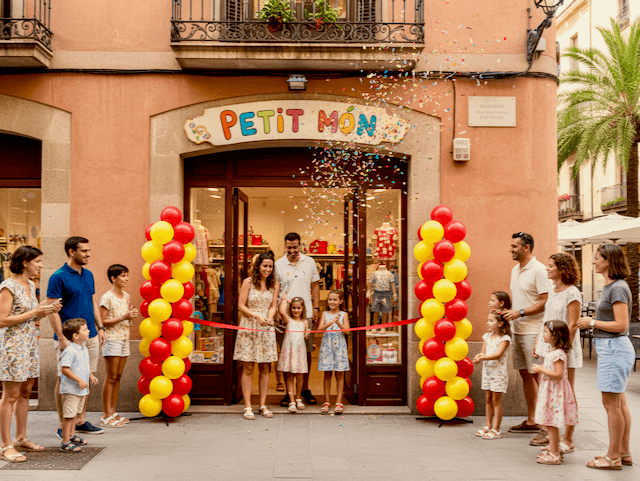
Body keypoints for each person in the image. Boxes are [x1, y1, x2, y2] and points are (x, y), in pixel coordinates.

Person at [0, 246, 61, 463]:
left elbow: (27, 317)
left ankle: (21, 437)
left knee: (26, 392)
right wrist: (35, 312)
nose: (41, 265)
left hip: (29, 344)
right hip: (13, 347)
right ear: (25, 262)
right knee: (10, 397)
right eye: (38, 261)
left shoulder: (31, 285)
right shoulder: (8, 286)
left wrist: (45, 310)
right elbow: (2, 320)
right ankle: (5, 445)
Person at [577, 244, 634, 470]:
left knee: (611, 404)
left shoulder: (617, 288)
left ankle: (612, 457)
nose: (593, 261)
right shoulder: (614, 287)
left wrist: (591, 322)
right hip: (613, 348)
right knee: (618, 403)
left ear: (608, 261)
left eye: (597, 257)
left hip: (613, 347)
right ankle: (623, 452)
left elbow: (621, 325)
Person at [47, 237, 106, 438]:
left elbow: (93, 301)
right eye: (84, 251)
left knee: (86, 377)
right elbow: (51, 310)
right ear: (72, 252)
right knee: (64, 379)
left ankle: (80, 421)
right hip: (69, 339)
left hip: (90, 334)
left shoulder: (88, 275)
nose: (88, 254)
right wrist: (61, 338)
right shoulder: (58, 276)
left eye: (89, 250)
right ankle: (63, 425)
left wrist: (100, 328)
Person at [530, 253, 582, 450]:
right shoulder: (552, 290)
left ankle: (568, 438)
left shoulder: (573, 293)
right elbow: (547, 318)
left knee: (567, 391)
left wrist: (561, 348)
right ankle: (552, 434)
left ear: (561, 269)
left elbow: (573, 324)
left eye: (550, 266)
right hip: (549, 346)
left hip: (564, 349)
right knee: (548, 388)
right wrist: (538, 340)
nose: (547, 269)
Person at [503, 232, 552, 433]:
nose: (511, 249)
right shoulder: (516, 269)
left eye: (514, 246)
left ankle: (544, 421)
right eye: (511, 245)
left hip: (534, 331)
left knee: (536, 376)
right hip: (518, 330)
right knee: (525, 374)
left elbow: (546, 300)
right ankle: (532, 419)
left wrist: (520, 312)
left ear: (526, 248)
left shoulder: (539, 270)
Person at [275, 232, 320, 407]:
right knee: (286, 354)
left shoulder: (309, 262)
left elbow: (315, 285)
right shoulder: (278, 264)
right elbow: (275, 290)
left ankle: (304, 390)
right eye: (289, 247)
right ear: (285, 245)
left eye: (295, 247)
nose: (292, 250)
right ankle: (289, 393)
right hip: (284, 316)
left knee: (306, 353)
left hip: (305, 315)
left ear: (300, 245)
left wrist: (316, 308)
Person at [233, 251, 279, 420]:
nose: (267, 269)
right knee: (248, 367)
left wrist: (271, 316)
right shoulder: (248, 282)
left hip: (266, 328)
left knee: (265, 367)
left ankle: (263, 404)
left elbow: (273, 305)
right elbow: (241, 305)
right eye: (265, 266)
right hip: (250, 326)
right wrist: (256, 316)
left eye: (270, 266)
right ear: (258, 266)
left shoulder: (274, 284)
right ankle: (247, 406)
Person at [532, 321, 578, 465]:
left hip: (554, 393)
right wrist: (543, 367)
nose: (543, 335)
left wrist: (541, 370)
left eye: (545, 332)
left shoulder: (558, 354)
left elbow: (558, 374)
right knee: (549, 422)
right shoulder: (551, 352)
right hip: (550, 391)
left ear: (555, 335)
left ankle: (555, 454)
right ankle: (553, 448)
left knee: (551, 423)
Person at [99, 264, 138, 428]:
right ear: (113, 278)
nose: (126, 279)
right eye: (123, 276)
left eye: (127, 275)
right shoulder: (107, 297)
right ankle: (106, 414)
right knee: (111, 376)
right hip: (112, 339)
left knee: (119, 376)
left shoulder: (126, 296)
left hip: (124, 338)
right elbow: (101, 322)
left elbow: (127, 319)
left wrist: (131, 316)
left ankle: (113, 411)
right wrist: (123, 317)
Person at [59, 318, 98, 452]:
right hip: (71, 389)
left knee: (75, 414)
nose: (88, 331)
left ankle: (71, 436)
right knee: (69, 416)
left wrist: (90, 376)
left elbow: (85, 366)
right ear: (75, 336)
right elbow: (65, 369)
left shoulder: (83, 349)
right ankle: (65, 442)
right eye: (85, 329)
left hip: (81, 390)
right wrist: (79, 380)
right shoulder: (70, 351)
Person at [473, 309, 511, 440]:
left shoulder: (505, 339)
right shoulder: (487, 336)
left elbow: (498, 354)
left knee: (496, 401)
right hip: (487, 373)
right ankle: (488, 426)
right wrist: (479, 356)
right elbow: (483, 352)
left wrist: (482, 358)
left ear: (500, 323)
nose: (487, 322)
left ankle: (497, 429)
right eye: (488, 320)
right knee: (488, 399)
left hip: (498, 374)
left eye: (491, 320)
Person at [317, 289, 350, 414]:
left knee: (340, 374)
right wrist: (329, 323)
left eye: (335, 299)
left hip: (339, 346)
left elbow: (347, 331)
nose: (332, 302)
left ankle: (339, 401)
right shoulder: (325, 313)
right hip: (327, 346)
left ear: (341, 301)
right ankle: (326, 401)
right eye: (330, 299)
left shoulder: (344, 314)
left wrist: (339, 323)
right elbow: (320, 329)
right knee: (327, 374)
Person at [277, 296, 309, 413]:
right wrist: (285, 299)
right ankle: (291, 400)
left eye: (299, 308)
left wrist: (307, 334)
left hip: (299, 351)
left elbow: (306, 335)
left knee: (300, 375)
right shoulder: (288, 320)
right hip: (289, 350)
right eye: (294, 308)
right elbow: (281, 311)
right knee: (290, 375)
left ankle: (298, 398)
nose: (296, 310)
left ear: (303, 309)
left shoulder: (305, 322)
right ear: (290, 309)